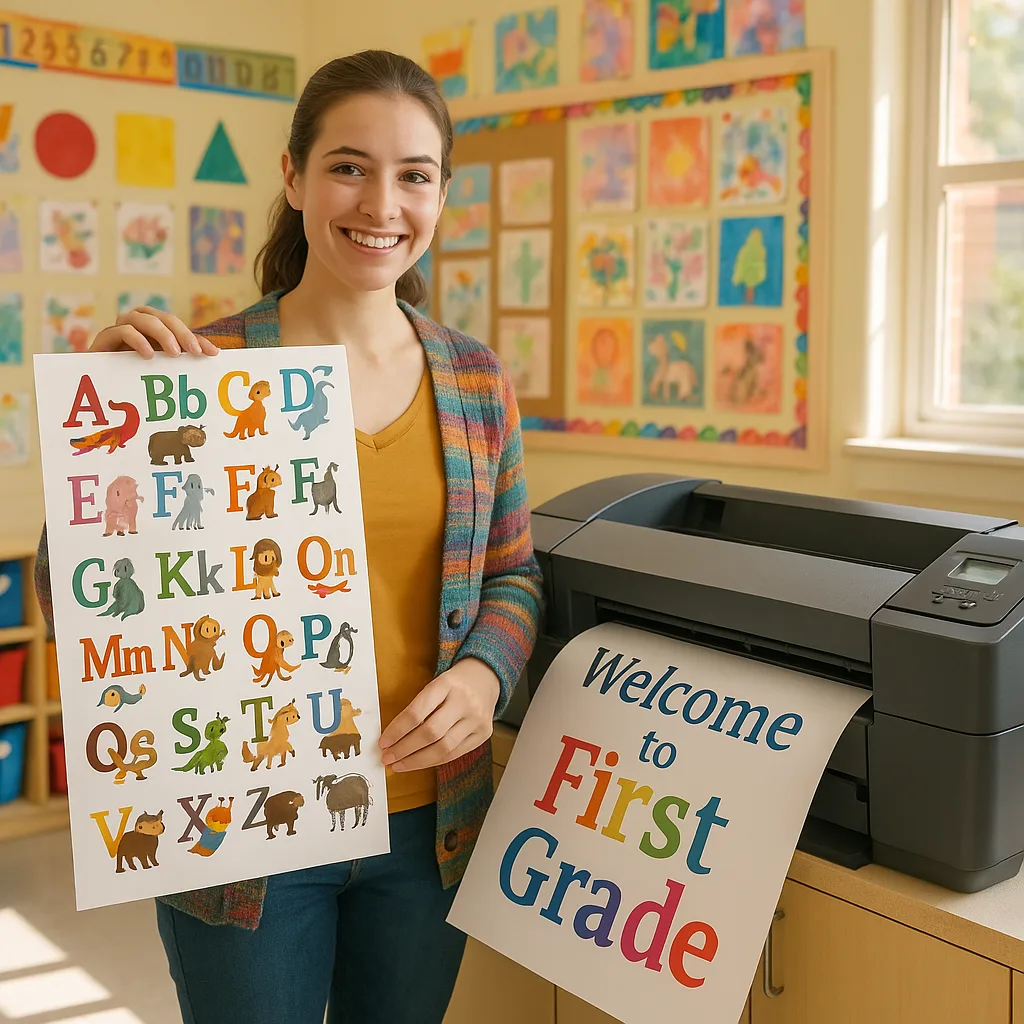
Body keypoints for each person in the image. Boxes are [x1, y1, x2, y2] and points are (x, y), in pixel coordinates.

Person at [33, 49, 543, 1024]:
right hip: (243, 832)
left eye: (414, 174)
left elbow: (512, 573)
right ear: (294, 176)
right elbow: (76, 598)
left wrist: (484, 675)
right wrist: (99, 434)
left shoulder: (476, 379)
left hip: (426, 829)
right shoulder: (200, 369)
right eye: (349, 166)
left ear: (441, 192)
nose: (381, 202)